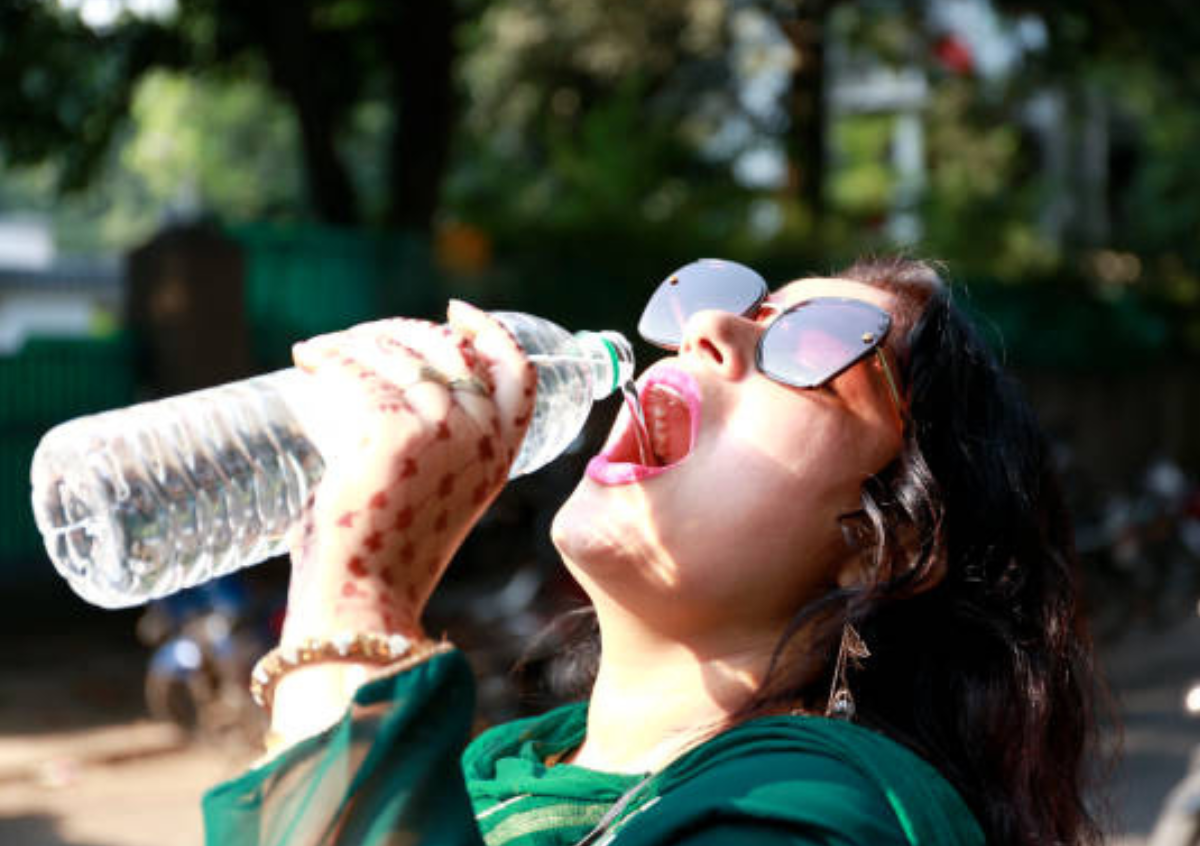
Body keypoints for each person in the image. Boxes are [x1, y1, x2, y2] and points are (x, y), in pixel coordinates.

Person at [202, 256, 1104, 846]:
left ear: (882, 543)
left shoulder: (816, 819)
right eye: (720, 305)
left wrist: (349, 600)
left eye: (815, 344)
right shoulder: (495, 776)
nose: (707, 332)